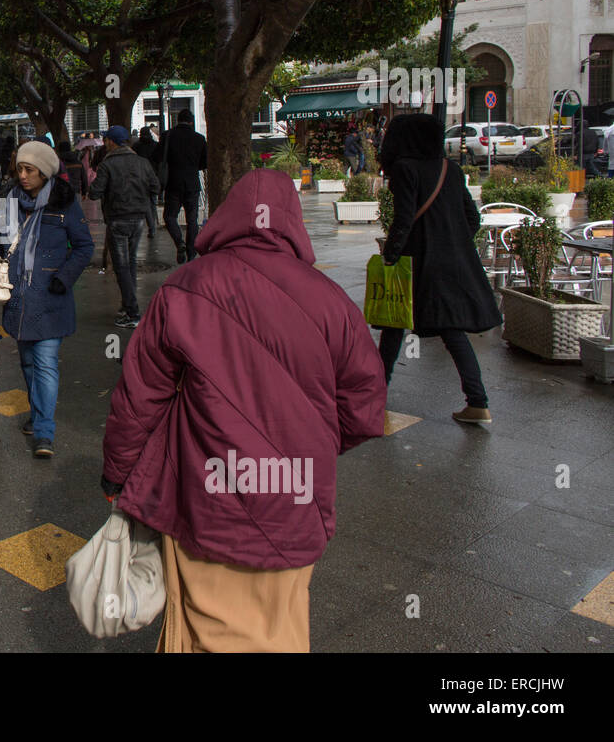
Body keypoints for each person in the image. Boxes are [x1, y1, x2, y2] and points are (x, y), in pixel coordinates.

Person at [101, 169, 386, 652]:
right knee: (282, 627)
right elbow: (364, 411)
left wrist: (117, 475)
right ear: (292, 222)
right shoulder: (330, 300)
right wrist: (308, 439)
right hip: (297, 502)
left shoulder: (184, 287)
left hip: (206, 502)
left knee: (204, 629)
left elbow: (139, 398)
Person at [379, 114, 500, 423]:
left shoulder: (405, 169)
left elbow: (403, 221)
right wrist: (451, 241)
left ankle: (375, 396)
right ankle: (478, 402)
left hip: (416, 263)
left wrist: (389, 257)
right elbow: (472, 218)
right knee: (452, 331)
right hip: (451, 264)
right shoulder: (452, 169)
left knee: (393, 328)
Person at [0, 141, 94, 457]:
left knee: (45, 363)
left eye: (29, 169)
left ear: (45, 172)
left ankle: (44, 432)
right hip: (17, 299)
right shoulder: (9, 202)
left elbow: (84, 247)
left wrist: (63, 278)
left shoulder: (64, 203)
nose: (22, 175)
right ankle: (37, 414)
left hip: (51, 298)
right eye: (19, 168)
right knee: (28, 363)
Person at [88, 126, 160, 328]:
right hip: (138, 219)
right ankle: (127, 305)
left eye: (106, 140)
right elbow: (155, 186)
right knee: (130, 263)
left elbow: (95, 192)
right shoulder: (142, 163)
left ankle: (132, 312)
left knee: (122, 267)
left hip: (118, 218)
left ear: (111, 141)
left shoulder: (107, 164)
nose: (104, 143)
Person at [158, 109, 207, 264]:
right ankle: (191, 253)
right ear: (191, 122)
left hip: (173, 182)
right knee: (192, 219)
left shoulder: (168, 136)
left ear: (177, 120)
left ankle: (179, 242)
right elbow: (204, 163)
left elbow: (157, 157)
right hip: (192, 183)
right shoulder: (199, 138)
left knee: (169, 216)